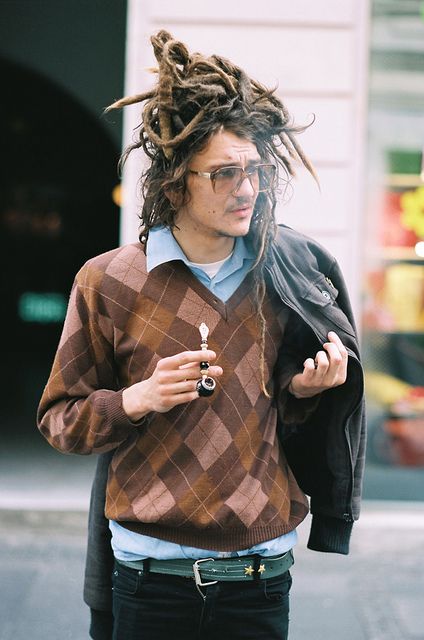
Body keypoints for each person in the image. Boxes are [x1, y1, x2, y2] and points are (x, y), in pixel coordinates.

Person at [37, 30, 366, 640]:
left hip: (261, 573)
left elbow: (279, 422)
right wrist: (137, 399)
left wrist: (308, 389)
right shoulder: (109, 280)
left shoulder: (288, 274)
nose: (246, 188)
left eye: (254, 170)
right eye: (223, 174)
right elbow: (59, 419)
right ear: (174, 182)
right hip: (149, 577)